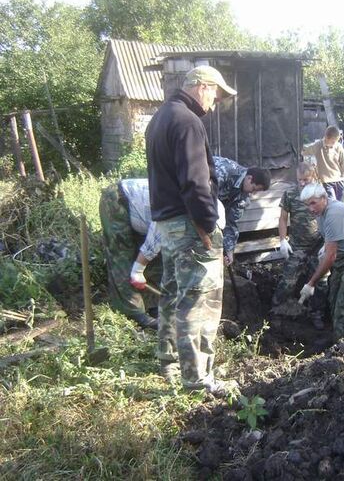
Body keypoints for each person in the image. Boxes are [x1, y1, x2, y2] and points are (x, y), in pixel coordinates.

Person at [146, 65, 237, 395]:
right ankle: (198, 382)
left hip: (168, 224)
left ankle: (169, 361)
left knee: (173, 293)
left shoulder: (161, 118)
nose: (216, 101)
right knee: (200, 300)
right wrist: (208, 226)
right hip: (189, 225)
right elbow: (195, 182)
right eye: (216, 92)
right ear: (202, 86)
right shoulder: (187, 121)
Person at [299, 183, 344, 340]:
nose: (310, 208)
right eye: (307, 205)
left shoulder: (334, 213)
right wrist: (325, 247)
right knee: (333, 299)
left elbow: (331, 257)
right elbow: (330, 243)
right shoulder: (320, 212)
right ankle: (337, 337)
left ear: (324, 198)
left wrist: (311, 283)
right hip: (342, 258)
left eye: (313, 203)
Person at [99, 179, 161, 330]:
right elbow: (155, 238)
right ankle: (133, 313)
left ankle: (154, 306)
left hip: (142, 215)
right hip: (118, 201)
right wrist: (137, 270)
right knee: (123, 258)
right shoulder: (174, 210)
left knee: (156, 261)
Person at [272, 162, 327, 329]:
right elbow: (283, 218)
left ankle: (317, 314)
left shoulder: (320, 193)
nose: (302, 183)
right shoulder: (290, 194)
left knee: (321, 283)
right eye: (299, 180)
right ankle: (276, 311)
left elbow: (327, 216)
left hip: (318, 246)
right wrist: (283, 240)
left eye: (306, 180)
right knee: (287, 281)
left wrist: (327, 243)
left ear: (314, 177)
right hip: (297, 246)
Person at [212, 156, 271, 265]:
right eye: (254, 189)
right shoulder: (224, 171)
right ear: (249, 178)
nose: (252, 193)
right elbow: (201, 198)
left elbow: (231, 222)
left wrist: (229, 251)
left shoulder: (243, 197)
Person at [302, 125, 344, 201]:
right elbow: (306, 150)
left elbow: (343, 164)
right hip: (326, 181)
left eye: (336, 141)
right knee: (331, 202)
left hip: (339, 180)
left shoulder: (339, 147)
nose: (335, 143)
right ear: (326, 137)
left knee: (341, 203)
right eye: (333, 141)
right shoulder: (318, 145)